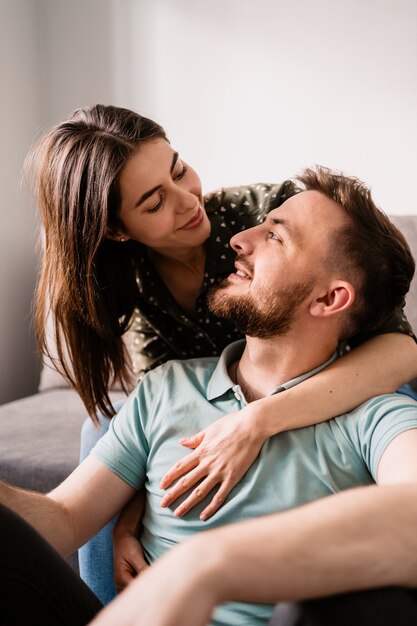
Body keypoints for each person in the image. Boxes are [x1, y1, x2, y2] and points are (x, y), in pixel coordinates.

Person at [29, 105, 417, 602]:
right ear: (117, 230)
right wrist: (129, 521)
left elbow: (401, 351)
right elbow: (153, 433)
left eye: (178, 169)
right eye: (153, 203)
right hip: (221, 388)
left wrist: (258, 420)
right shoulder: (137, 291)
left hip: (344, 376)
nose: (189, 200)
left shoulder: (262, 212)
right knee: (104, 428)